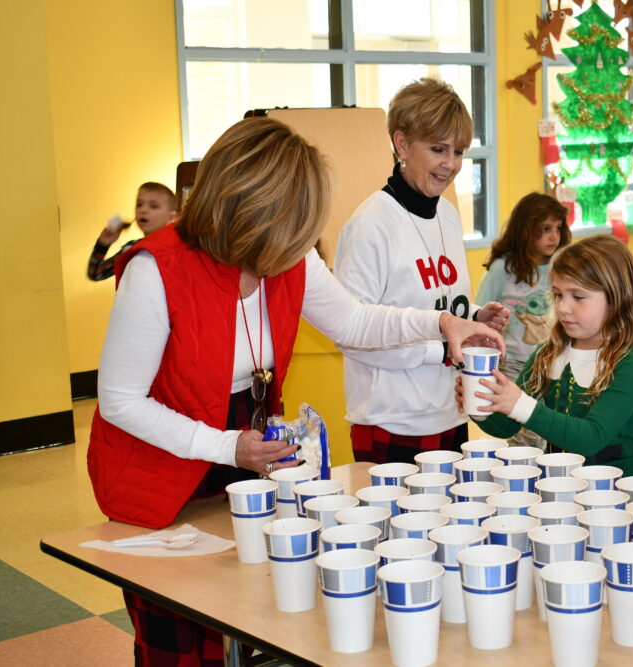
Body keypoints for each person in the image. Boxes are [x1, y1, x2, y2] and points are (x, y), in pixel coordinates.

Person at [88, 117, 503, 666]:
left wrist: (438, 326)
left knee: (256, 605)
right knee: (181, 635)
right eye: (291, 227)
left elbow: (354, 322)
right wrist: (227, 447)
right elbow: (120, 401)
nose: (300, 246)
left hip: (245, 447)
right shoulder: (156, 270)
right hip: (160, 458)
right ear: (247, 212)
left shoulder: (287, 254)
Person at [334, 78, 509, 465]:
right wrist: (441, 348)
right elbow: (349, 333)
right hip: (391, 420)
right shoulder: (371, 224)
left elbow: (433, 302)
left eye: (459, 151)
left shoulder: (446, 213)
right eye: (438, 149)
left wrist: (474, 317)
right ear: (401, 144)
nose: (451, 164)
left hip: (449, 411)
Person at [459, 235, 633, 476]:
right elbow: (506, 426)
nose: (562, 307)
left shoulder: (630, 364)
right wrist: (481, 403)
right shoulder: (547, 353)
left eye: (578, 297)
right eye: (558, 295)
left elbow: (591, 438)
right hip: (561, 487)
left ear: (616, 298)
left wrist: (519, 403)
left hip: (618, 494)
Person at [475, 192, 570, 449]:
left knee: (548, 429)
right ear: (526, 230)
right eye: (545, 229)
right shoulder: (503, 269)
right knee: (527, 434)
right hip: (516, 365)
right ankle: (520, 476)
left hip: (554, 363)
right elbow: (479, 313)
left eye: (558, 228)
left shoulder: (561, 268)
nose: (554, 236)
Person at [87, 182, 176, 281]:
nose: (143, 209)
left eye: (154, 206)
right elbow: (96, 274)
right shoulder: (131, 248)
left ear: (171, 217)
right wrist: (103, 244)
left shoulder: (176, 248)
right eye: (139, 204)